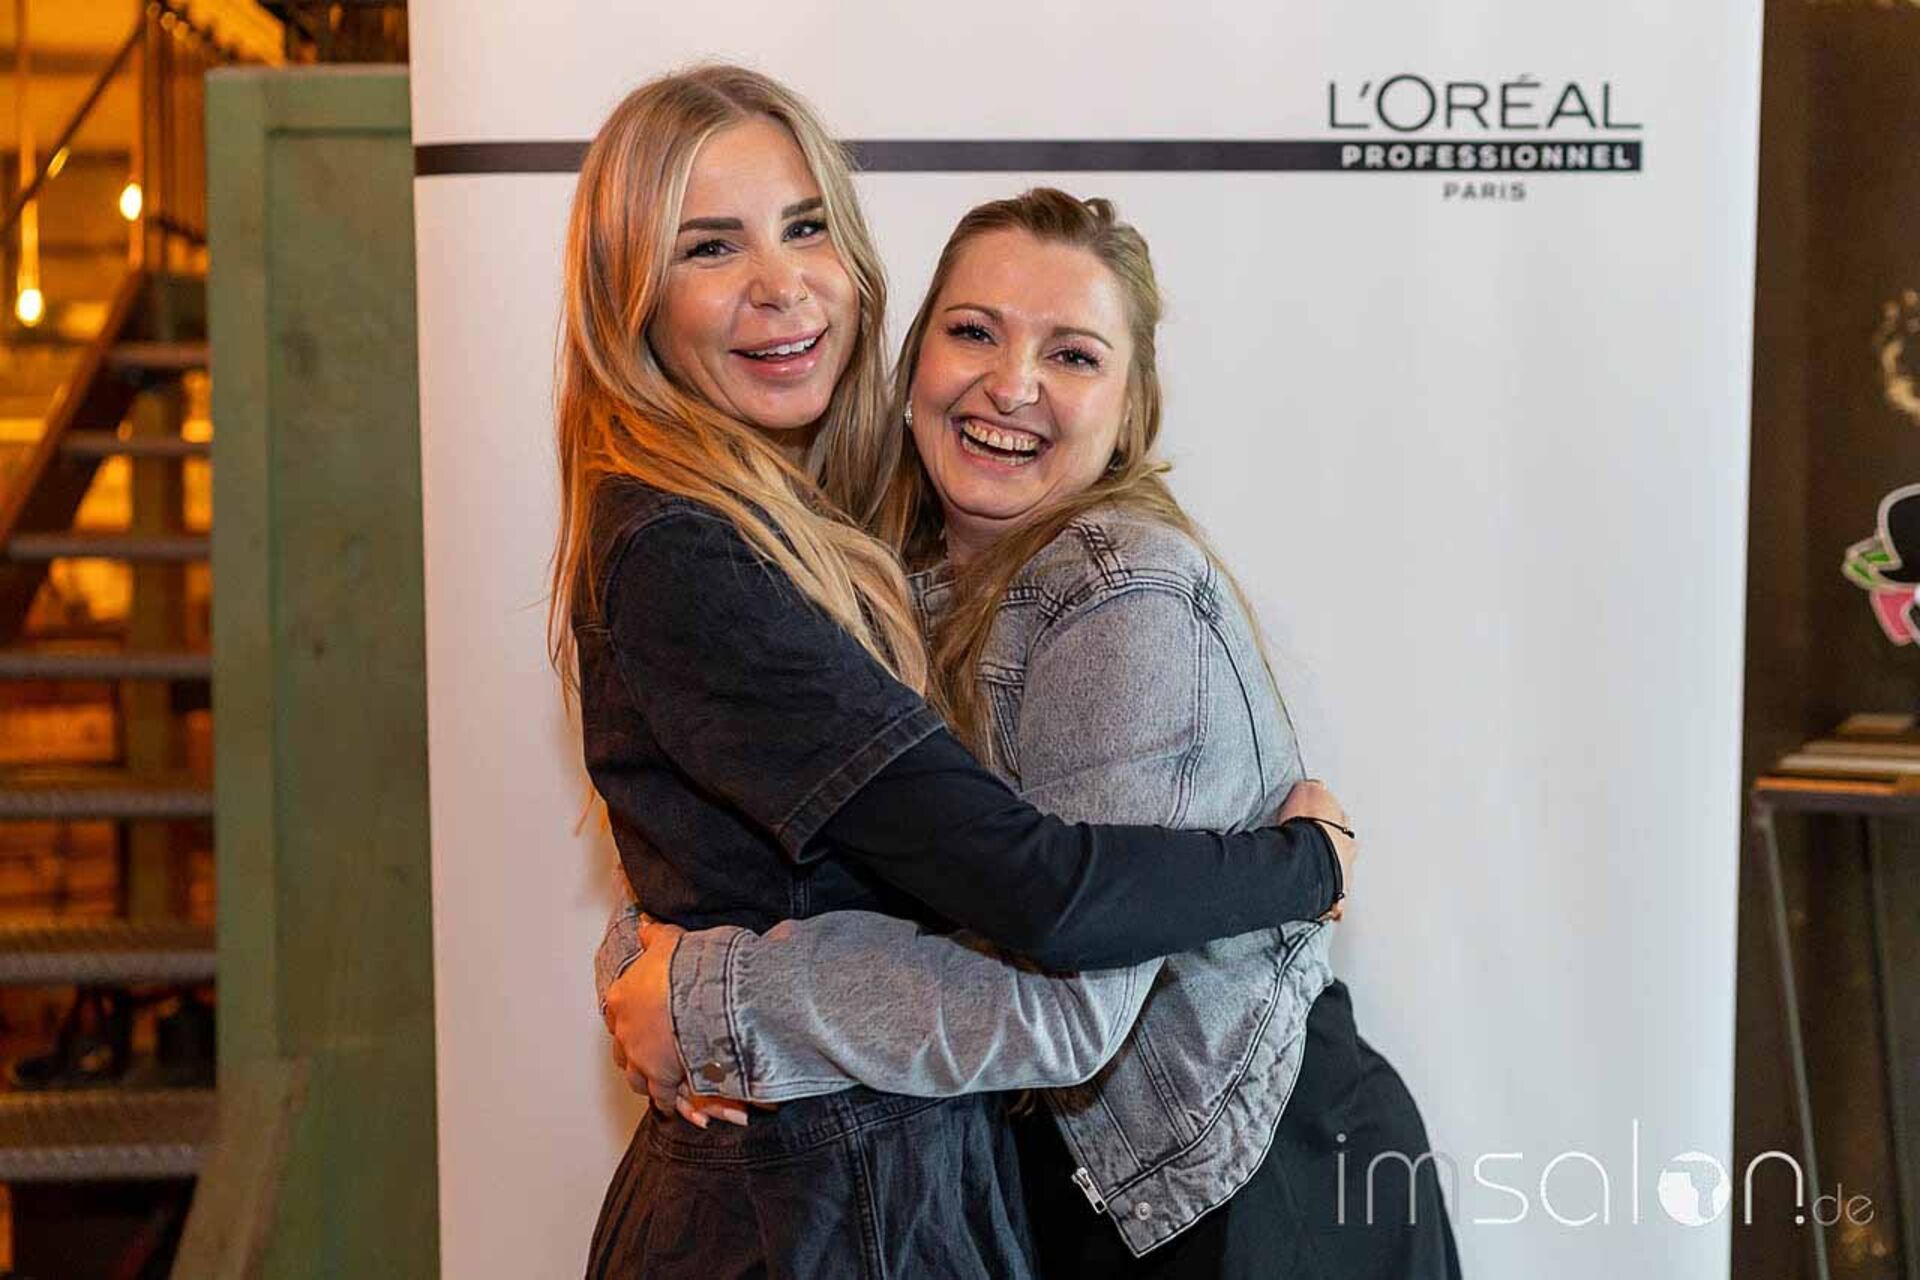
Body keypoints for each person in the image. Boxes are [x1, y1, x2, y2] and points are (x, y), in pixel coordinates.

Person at [556, 67, 1353, 1279]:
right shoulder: (747, 549)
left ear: (1133, 405)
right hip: (826, 1206)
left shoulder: (1101, 585)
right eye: (709, 245)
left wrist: (701, 990)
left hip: (1197, 1209)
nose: (780, 283)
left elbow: (1049, 957)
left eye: (806, 226)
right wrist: (640, 960)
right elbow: (725, 855)